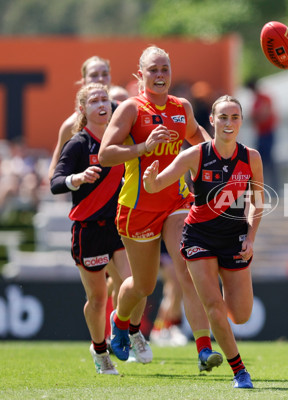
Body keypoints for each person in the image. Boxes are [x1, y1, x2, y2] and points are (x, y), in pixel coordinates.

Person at [98, 46, 217, 372]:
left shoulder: (182, 107)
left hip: (176, 201)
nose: (161, 75)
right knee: (144, 286)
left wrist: (214, 159)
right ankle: (120, 321)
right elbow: (106, 154)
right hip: (137, 207)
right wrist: (143, 148)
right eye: (154, 70)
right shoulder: (130, 109)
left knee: (187, 269)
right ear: (142, 74)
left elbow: (197, 137)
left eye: (165, 68)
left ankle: (204, 350)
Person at [143, 95, 262, 389]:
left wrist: (250, 237)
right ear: (211, 120)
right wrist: (149, 181)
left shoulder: (251, 157)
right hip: (198, 237)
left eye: (234, 117)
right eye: (223, 117)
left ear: (241, 121)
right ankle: (239, 372)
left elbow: (258, 202)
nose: (228, 123)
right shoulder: (196, 154)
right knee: (213, 306)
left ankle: (225, 333)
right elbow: (159, 183)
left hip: (234, 240)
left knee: (242, 314)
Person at [49, 82, 146, 374]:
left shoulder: (120, 140)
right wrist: (76, 179)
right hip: (87, 229)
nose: (102, 104)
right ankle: (99, 349)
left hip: (117, 227)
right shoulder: (79, 143)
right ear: (83, 109)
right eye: (94, 101)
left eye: (105, 99)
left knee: (137, 285)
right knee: (98, 298)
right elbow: (56, 182)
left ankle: (127, 328)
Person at [48, 56, 116, 180]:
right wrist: (80, 178)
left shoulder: (125, 111)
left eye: (105, 74)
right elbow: (54, 174)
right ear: (84, 82)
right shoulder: (71, 126)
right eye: (94, 75)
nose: (100, 79)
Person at [149, 241, 189, 347]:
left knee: (173, 290)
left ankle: (162, 327)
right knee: (175, 286)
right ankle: (170, 326)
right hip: (162, 250)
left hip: (179, 249)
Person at [247, 78, 279, 191]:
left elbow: (264, 115)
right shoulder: (256, 101)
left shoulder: (264, 98)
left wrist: (257, 117)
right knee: (260, 160)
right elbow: (254, 118)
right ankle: (262, 186)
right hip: (260, 133)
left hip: (268, 132)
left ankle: (275, 187)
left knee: (269, 160)